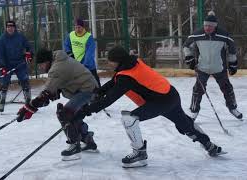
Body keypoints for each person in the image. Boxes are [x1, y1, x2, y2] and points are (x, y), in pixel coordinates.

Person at [77, 46, 225, 168]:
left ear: (118, 61)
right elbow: (114, 82)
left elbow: (110, 99)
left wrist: (86, 111)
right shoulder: (131, 64)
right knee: (185, 124)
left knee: (129, 119)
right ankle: (208, 144)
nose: (109, 64)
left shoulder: (126, 77)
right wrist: (99, 92)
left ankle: (139, 152)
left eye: (111, 61)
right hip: (170, 95)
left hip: (162, 101)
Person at [16, 49, 99, 161]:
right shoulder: (58, 61)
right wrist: (50, 95)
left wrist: (29, 108)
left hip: (87, 90)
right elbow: (52, 90)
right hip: (83, 88)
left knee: (65, 113)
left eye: (42, 64)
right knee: (74, 115)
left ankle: (74, 145)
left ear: (48, 61)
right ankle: (88, 140)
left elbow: (47, 92)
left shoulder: (57, 68)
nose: (40, 67)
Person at [183, 11, 243, 121]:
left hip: (219, 68)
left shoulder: (223, 35)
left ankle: (233, 108)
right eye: (205, 25)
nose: (207, 28)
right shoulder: (197, 34)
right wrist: (189, 59)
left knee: (227, 88)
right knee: (198, 89)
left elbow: (232, 51)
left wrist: (233, 64)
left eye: (210, 26)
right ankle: (194, 111)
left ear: (215, 26)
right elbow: (186, 47)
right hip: (202, 67)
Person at [0, 20, 33, 112]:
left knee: (24, 81)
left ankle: (28, 102)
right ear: (6, 28)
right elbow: (0, 54)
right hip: (7, 64)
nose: (10, 28)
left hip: (20, 63)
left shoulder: (20, 37)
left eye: (12, 27)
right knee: (4, 83)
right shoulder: (2, 39)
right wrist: (2, 67)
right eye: (8, 27)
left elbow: (29, 46)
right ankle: (2, 102)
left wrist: (29, 54)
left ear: (14, 28)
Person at [64, 18, 101, 86]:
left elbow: (89, 52)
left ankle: (100, 93)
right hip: (75, 63)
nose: (77, 29)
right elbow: (66, 45)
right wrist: (70, 54)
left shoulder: (88, 37)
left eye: (79, 27)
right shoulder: (71, 35)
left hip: (88, 65)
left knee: (95, 81)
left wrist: (84, 64)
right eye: (75, 27)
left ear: (83, 27)